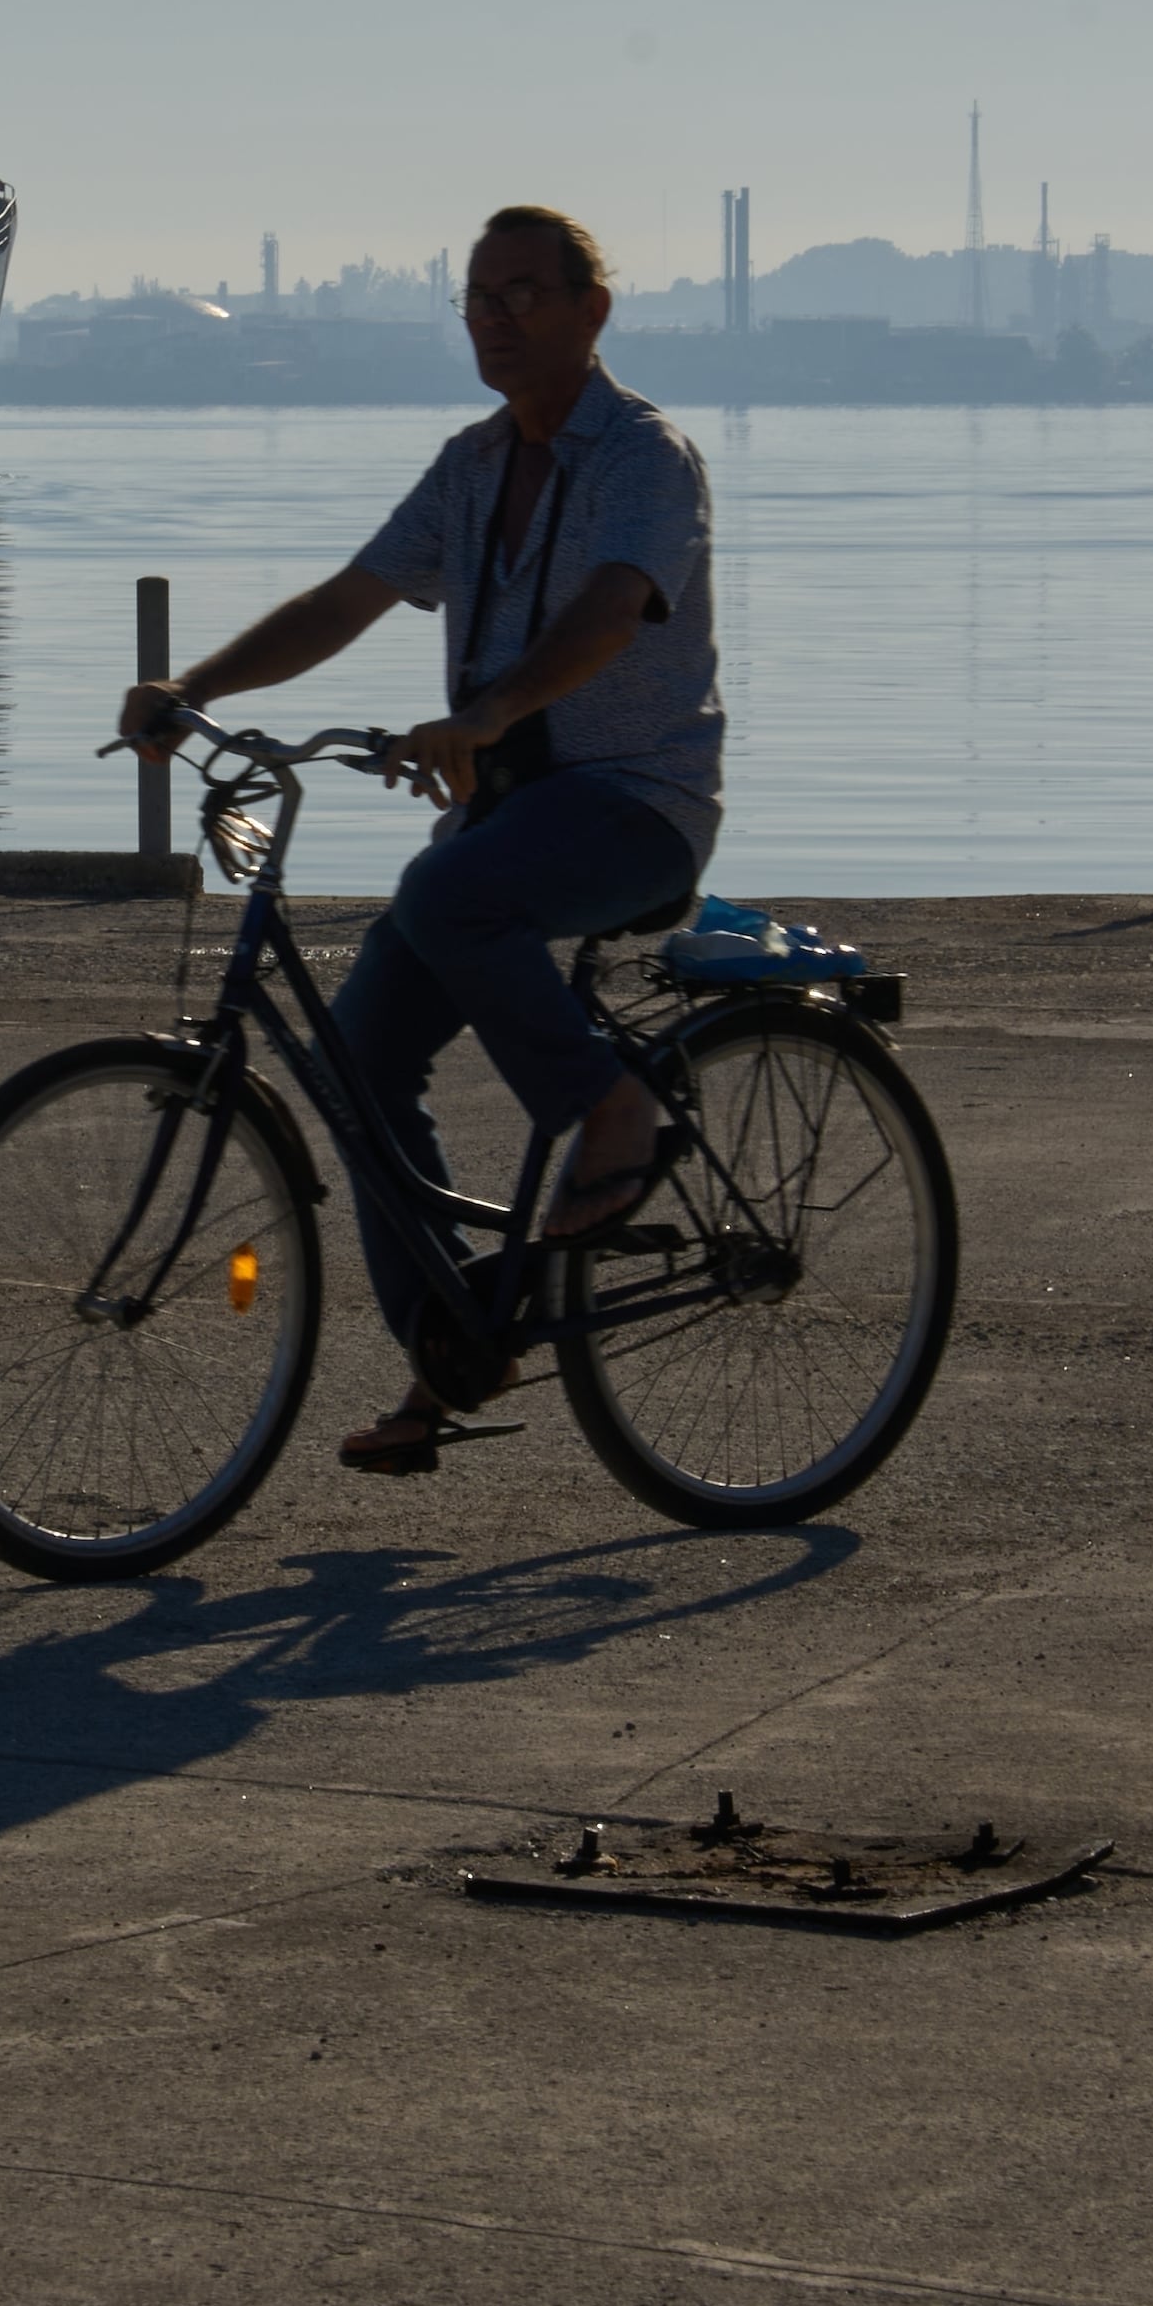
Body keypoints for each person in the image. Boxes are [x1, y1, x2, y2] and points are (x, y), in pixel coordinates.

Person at [120, 203, 722, 1474]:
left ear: (589, 310)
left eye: (521, 295)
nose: (494, 320)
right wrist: (196, 690)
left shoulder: (643, 459)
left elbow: (614, 611)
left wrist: (486, 710)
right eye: (476, 299)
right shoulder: (467, 467)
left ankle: (612, 1117)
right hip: (510, 818)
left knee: (446, 892)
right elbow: (349, 598)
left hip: (634, 804)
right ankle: (453, 1342)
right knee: (353, 1061)